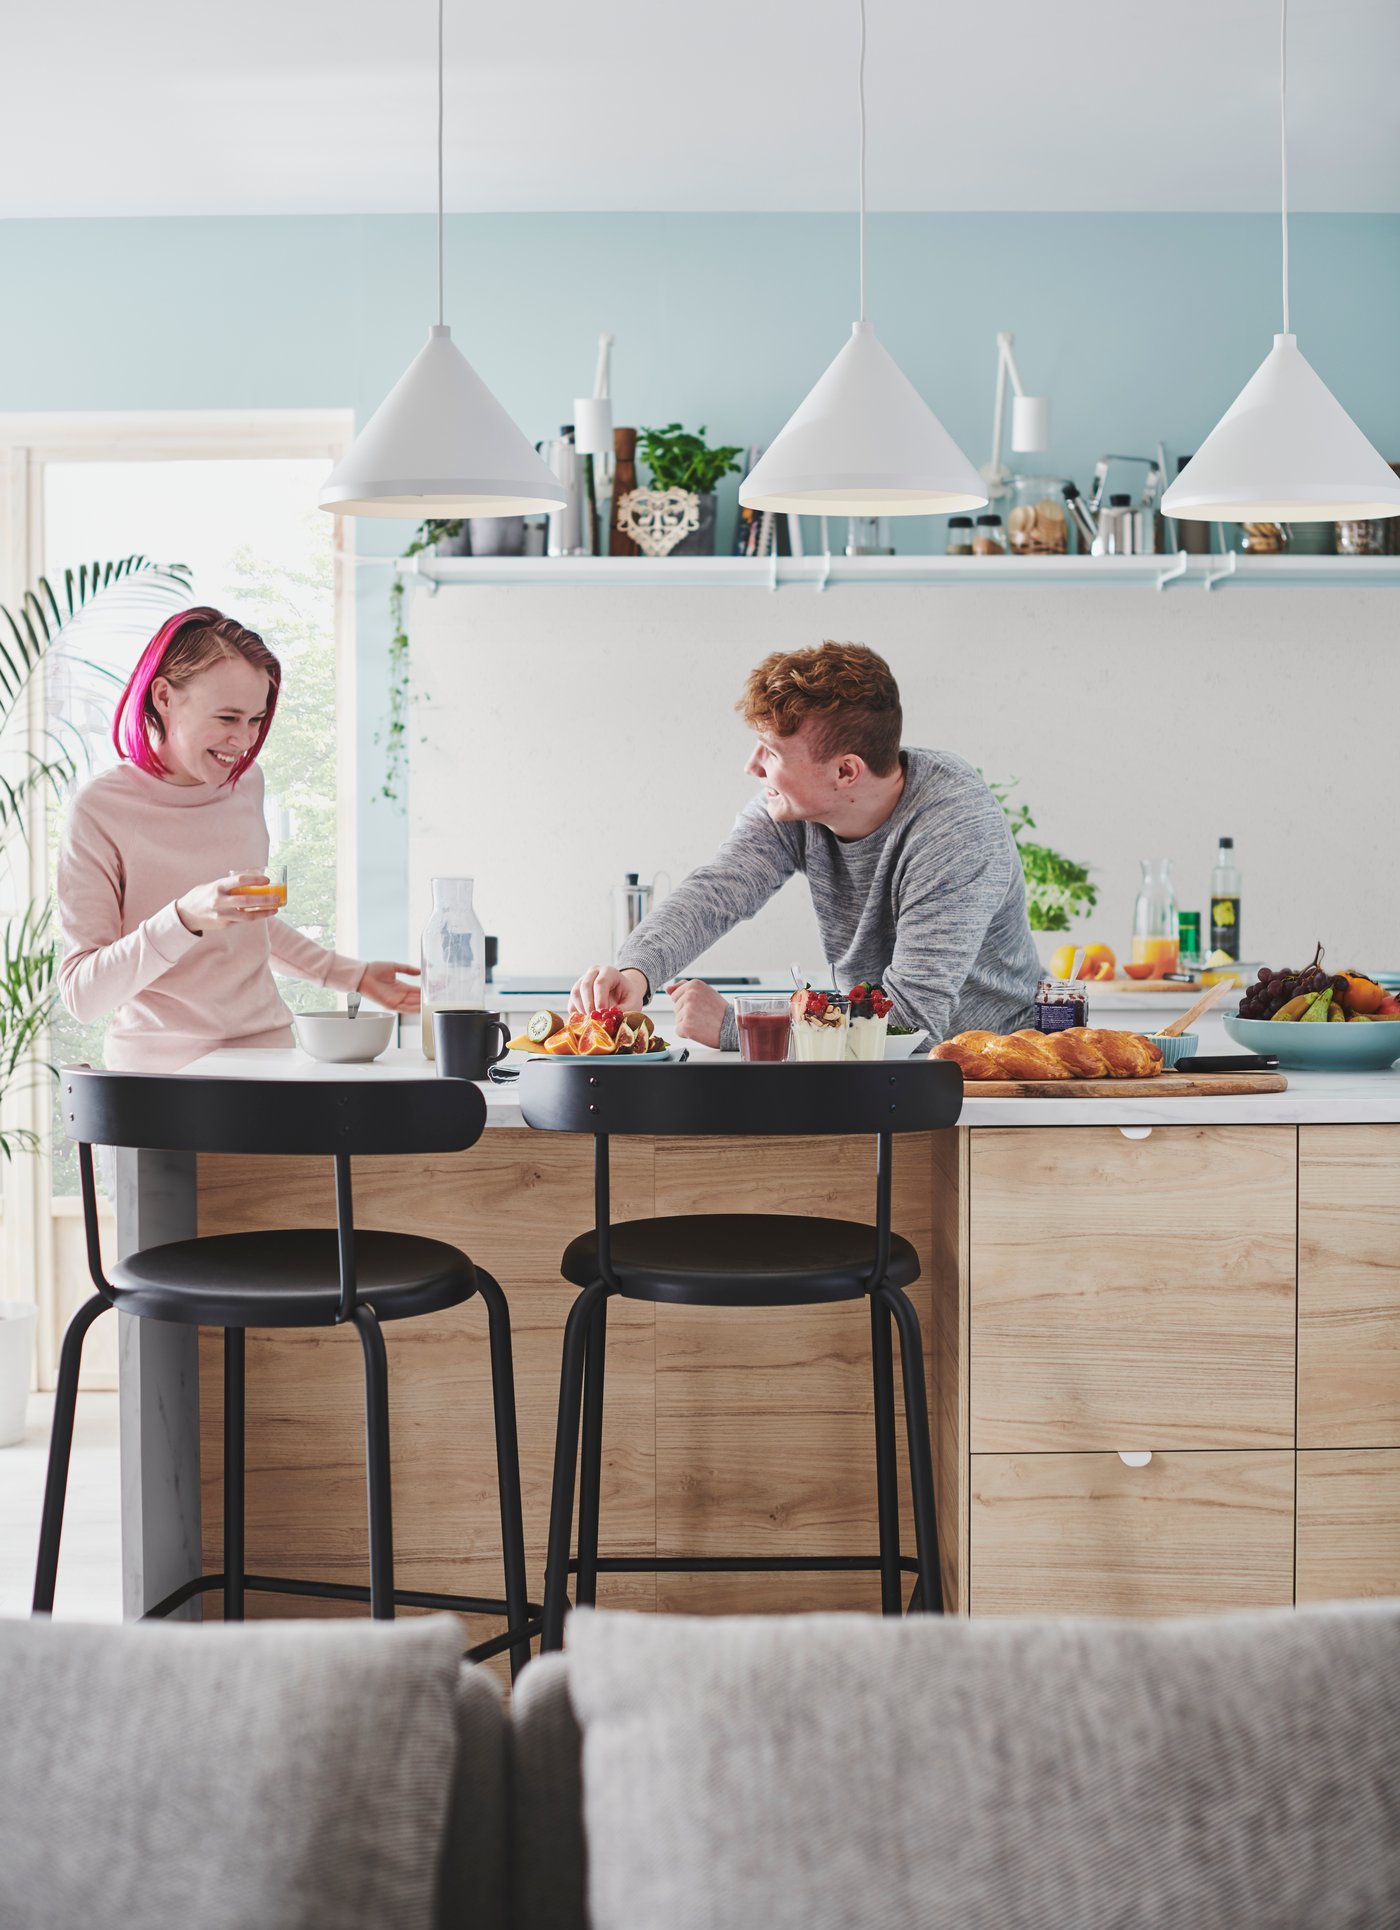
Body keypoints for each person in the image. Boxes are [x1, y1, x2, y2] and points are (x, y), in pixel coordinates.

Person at [570, 640, 1039, 1051]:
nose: (753, 766)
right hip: (872, 1062)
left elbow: (912, 1025)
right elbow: (717, 892)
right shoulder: (796, 806)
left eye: (772, 753)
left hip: (995, 1069)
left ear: (846, 772)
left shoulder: (952, 828)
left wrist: (743, 1028)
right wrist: (636, 972)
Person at [57, 606, 418, 1070]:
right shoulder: (100, 809)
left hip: (266, 1061)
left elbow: (250, 921)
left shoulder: (246, 785)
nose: (244, 741)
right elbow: (83, 994)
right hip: (159, 1079)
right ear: (164, 696)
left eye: (255, 719)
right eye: (227, 718)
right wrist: (185, 918)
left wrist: (355, 975)